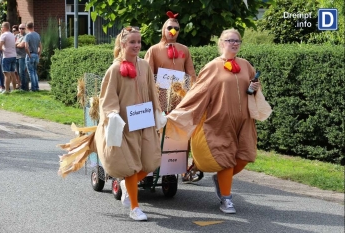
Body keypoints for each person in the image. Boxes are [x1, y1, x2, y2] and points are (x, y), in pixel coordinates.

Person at [57, 26, 166, 221]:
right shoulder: (115, 69)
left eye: (139, 42)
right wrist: (113, 116)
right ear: (123, 44)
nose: (136, 45)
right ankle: (134, 207)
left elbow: (151, 90)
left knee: (151, 161)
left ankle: (126, 185)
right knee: (131, 167)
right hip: (124, 126)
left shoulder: (145, 66)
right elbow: (107, 98)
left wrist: (157, 112)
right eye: (132, 42)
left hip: (144, 122)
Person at [164, 28, 266, 214]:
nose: (234, 43)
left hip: (244, 121)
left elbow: (253, 90)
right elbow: (198, 92)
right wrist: (180, 112)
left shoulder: (246, 65)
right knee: (226, 161)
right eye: (230, 40)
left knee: (245, 156)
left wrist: (255, 87)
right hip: (219, 121)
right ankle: (226, 199)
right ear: (221, 43)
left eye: (237, 41)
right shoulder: (212, 66)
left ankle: (220, 180)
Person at [144, 11, 200, 183]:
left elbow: (191, 74)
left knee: (182, 132)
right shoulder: (154, 50)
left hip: (179, 100)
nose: (173, 31)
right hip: (159, 98)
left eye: (176, 28)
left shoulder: (184, 50)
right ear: (164, 30)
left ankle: (181, 168)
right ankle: (152, 164)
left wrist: (193, 94)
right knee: (158, 132)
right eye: (170, 28)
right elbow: (147, 75)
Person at [0, 22, 17, 94]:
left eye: (2, 27)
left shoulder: (3, 35)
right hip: (14, 56)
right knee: (13, 73)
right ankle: (14, 89)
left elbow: (0, 47)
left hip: (6, 56)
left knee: (6, 74)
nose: (1, 28)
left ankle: (7, 90)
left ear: (4, 27)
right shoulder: (12, 35)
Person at [24, 21, 42, 91]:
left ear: (27, 27)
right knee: (34, 71)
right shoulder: (37, 35)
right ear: (33, 26)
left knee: (31, 72)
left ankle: (33, 88)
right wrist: (39, 55)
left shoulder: (28, 35)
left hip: (30, 54)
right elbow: (40, 46)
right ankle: (37, 87)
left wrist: (29, 55)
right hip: (36, 54)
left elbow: (26, 47)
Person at [15, 23, 28, 91]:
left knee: (22, 72)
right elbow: (12, 44)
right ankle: (21, 86)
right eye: (20, 28)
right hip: (16, 56)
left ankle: (24, 87)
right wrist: (17, 44)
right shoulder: (16, 36)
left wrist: (16, 44)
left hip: (22, 56)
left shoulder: (26, 36)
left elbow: (22, 45)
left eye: (23, 28)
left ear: (25, 29)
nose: (21, 30)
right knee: (17, 72)